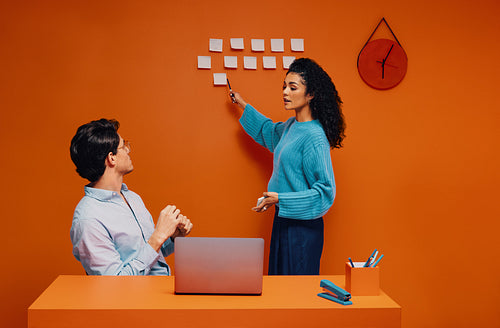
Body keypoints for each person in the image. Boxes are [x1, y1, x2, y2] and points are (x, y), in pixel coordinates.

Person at [230, 58, 345, 275]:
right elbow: (269, 132)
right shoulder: (292, 126)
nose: (285, 92)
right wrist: (242, 103)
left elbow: (325, 194)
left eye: (293, 87)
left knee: (295, 295)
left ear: (310, 94)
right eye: (284, 86)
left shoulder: (315, 137)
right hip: (283, 221)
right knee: (279, 291)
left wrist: (280, 199)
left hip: (302, 231)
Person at [69, 118, 193, 275]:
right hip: (133, 299)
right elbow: (114, 283)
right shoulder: (88, 220)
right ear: (111, 158)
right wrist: (158, 236)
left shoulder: (132, 198)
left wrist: (173, 237)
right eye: (123, 146)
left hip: (161, 291)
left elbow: (149, 255)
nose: (128, 150)